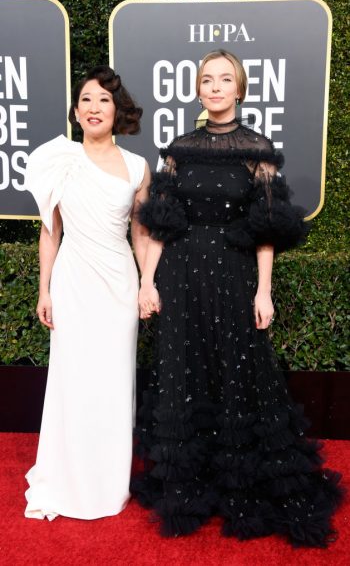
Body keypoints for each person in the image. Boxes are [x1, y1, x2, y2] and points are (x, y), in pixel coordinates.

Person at [133, 50, 343, 546]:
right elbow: (160, 226)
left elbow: (265, 230)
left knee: (237, 374)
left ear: (239, 88)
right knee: (186, 373)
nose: (215, 87)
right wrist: (147, 281)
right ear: (198, 88)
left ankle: (238, 482)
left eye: (225, 79)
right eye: (208, 79)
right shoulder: (179, 148)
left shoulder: (258, 149)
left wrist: (263, 291)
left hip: (233, 274)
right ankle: (190, 482)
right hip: (181, 277)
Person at [24, 66, 151, 520]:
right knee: (72, 378)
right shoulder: (58, 159)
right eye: (86, 100)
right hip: (73, 280)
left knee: (114, 382)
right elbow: (50, 234)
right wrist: (44, 290)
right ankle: (66, 476)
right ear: (75, 112)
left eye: (104, 100)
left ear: (117, 110)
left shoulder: (137, 166)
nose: (94, 107)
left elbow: (141, 234)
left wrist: (147, 284)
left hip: (119, 283)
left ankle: (106, 482)